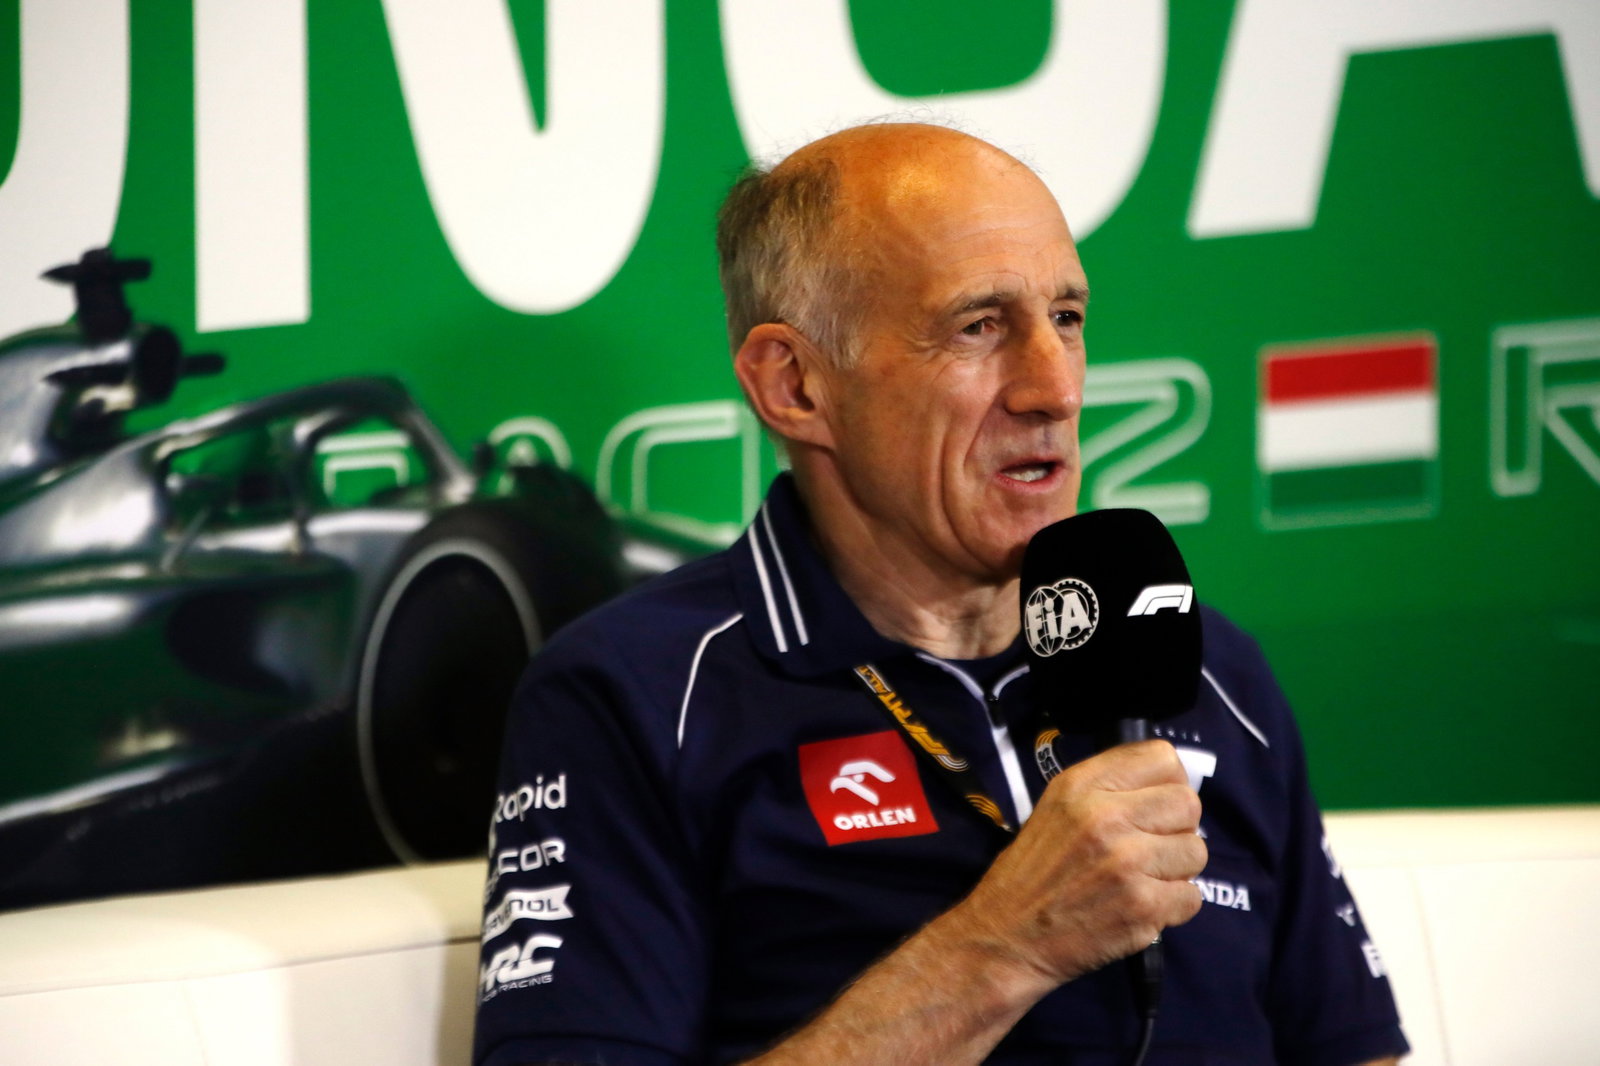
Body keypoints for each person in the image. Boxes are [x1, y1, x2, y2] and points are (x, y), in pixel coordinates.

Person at [473, 122, 1408, 1066]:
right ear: (794, 385)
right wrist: (1003, 945)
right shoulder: (632, 696)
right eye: (979, 326)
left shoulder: (1207, 665)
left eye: (1068, 319)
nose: (1054, 388)